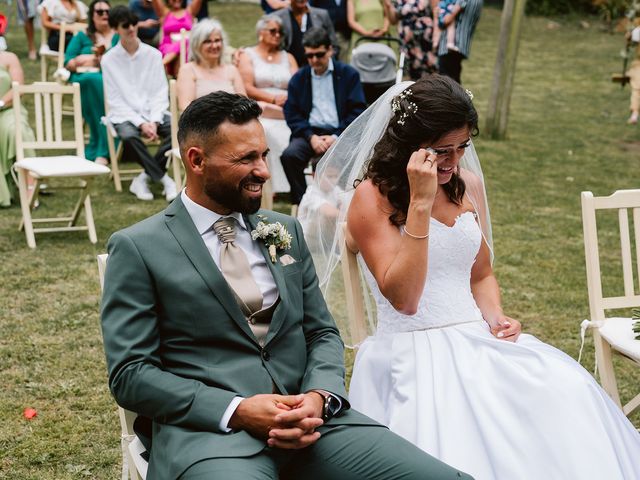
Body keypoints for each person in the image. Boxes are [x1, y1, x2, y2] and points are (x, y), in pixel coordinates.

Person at [100, 90, 472, 480]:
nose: (264, 170)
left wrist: (319, 397)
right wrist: (238, 409)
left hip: (316, 429)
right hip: (212, 439)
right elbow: (131, 374)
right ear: (196, 160)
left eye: (263, 155)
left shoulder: (285, 230)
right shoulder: (139, 247)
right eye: (246, 159)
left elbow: (322, 332)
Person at [300, 74, 640, 480]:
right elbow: (405, 299)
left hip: (477, 337)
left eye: (462, 147)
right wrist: (421, 204)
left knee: (566, 392)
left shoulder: (468, 186)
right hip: (413, 349)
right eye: (443, 150)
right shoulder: (371, 198)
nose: (454, 161)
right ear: (410, 145)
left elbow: (480, 274)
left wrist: (495, 316)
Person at [282, 27, 366, 205]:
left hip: (341, 132)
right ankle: (305, 203)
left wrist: (337, 136)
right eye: (310, 56)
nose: (314, 60)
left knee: (353, 157)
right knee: (289, 156)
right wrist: (310, 137)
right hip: (309, 133)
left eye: (319, 54)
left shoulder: (349, 75)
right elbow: (291, 112)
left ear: (330, 50)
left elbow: (358, 110)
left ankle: (344, 203)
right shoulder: (298, 78)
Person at [101, 5, 177, 201]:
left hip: (154, 112)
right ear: (116, 29)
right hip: (124, 115)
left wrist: (153, 120)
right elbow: (115, 100)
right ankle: (164, 179)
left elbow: (160, 92)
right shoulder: (108, 60)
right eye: (126, 25)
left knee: (180, 131)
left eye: (134, 23)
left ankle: (143, 177)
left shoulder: (153, 54)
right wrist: (141, 123)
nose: (132, 28)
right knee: (128, 135)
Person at [238, 14, 298, 194]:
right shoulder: (247, 55)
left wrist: (290, 98)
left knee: (291, 131)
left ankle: (291, 184)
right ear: (261, 33)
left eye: (280, 32)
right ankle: (273, 186)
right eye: (273, 31)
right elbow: (246, 86)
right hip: (261, 108)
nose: (277, 35)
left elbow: (297, 84)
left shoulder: (288, 57)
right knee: (268, 132)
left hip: (287, 108)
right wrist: (271, 99)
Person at [64, 0, 116, 165]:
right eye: (100, 12)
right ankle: (104, 147)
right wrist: (80, 60)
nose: (104, 15)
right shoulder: (82, 36)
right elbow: (68, 62)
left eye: (107, 12)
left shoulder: (117, 36)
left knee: (100, 82)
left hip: (112, 80)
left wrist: (95, 59)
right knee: (93, 80)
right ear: (92, 16)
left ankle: (102, 147)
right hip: (84, 79)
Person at [176, 19, 246, 112]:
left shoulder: (232, 70)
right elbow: (185, 107)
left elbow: (244, 103)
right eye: (207, 41)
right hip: (201, 123)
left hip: (233, 122)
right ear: (196, 45)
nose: (214, 46)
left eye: (217, 40)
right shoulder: (188, 70)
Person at [0, 51, 36, 207]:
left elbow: (18, 88)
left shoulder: (9, 57)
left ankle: (30, 187)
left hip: (8, 109)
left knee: (18, 130)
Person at [274, 0, 337, 67]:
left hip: (318, 66)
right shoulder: (278, 17)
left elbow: (334, 44)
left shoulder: (322, 14)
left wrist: (325, 58)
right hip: (288, 66)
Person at [384, 0, 436, 80]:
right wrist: (388, 6)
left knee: (429, 72)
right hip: (406, 41)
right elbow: (393, 21)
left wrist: (436, 36)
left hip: (425, 41)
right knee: (408, 72)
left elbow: (436, 12)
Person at [435, 0, 480, 84]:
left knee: (446, 81)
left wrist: (440, 16)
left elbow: (447, 19)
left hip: (451, 45)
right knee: (453, 77)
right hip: (462, 43)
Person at [151, 0, 202, 74]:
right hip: (168, 47)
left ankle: (161, 63)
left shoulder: (189, 11)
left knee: (185, 42)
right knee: (184, 42)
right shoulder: (165, 13)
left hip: (187, 49)